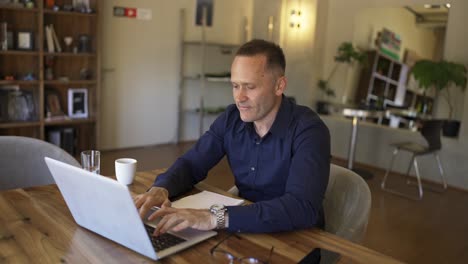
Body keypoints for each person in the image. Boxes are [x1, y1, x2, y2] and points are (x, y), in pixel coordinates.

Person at [135, 39, 330, 237]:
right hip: (244, 229)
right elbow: (192, 163)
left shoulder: (309, 130)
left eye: (250, 87)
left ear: (279, 86)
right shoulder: (231, 119)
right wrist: (162, 188)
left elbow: (300, 207)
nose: (239, 97)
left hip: (297, 239)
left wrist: (214, 217)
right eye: (235, 86)